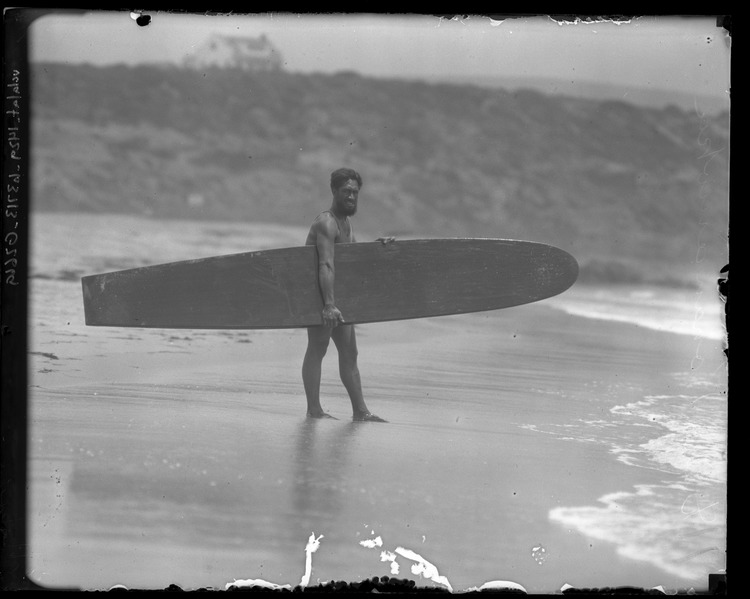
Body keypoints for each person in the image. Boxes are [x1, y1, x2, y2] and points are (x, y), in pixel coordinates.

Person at [302, 168, 393, 422]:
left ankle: (361, 411)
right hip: (321, 298)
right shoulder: (326, 222)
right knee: (317, 348)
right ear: (334, 191)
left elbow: (352, 257)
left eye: (355, 192)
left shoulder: (346, 223)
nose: (351, 197)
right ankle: (314, 410)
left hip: (338, 298)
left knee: (350, 353)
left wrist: (379, 247)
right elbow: (325, 264)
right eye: (346, 192)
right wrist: (328, 305)